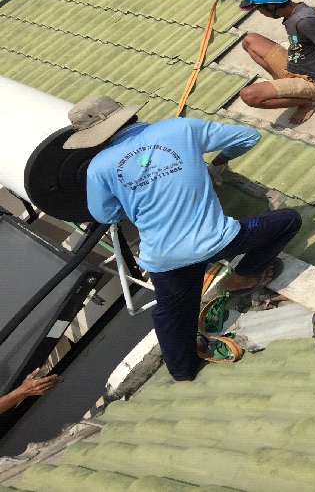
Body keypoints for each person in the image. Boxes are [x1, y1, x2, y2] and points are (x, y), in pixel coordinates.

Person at [63, 95, 301, 382]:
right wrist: (218, 163)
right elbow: (248, 137)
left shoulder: (99, 167)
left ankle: (183, 372)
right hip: (219, 241)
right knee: (288, 221)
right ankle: (243, 276)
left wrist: (136, 197)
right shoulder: (179, 128)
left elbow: (105, 214)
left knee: (172, 316)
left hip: (166, 259)